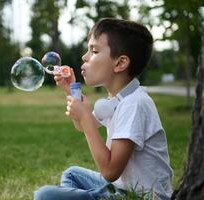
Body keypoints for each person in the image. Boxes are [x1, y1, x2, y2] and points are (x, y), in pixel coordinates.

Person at [34, 18, 173, 200]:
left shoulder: (134, 104)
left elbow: (110, 171)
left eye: (94, 51)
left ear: (120, 63)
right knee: (72, 174)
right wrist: (72, 90)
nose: (85, 57)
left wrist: (84, 118)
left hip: (139, 196)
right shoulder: (117, 99)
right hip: (120, 188)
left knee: (45, 195)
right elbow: (82, 126)